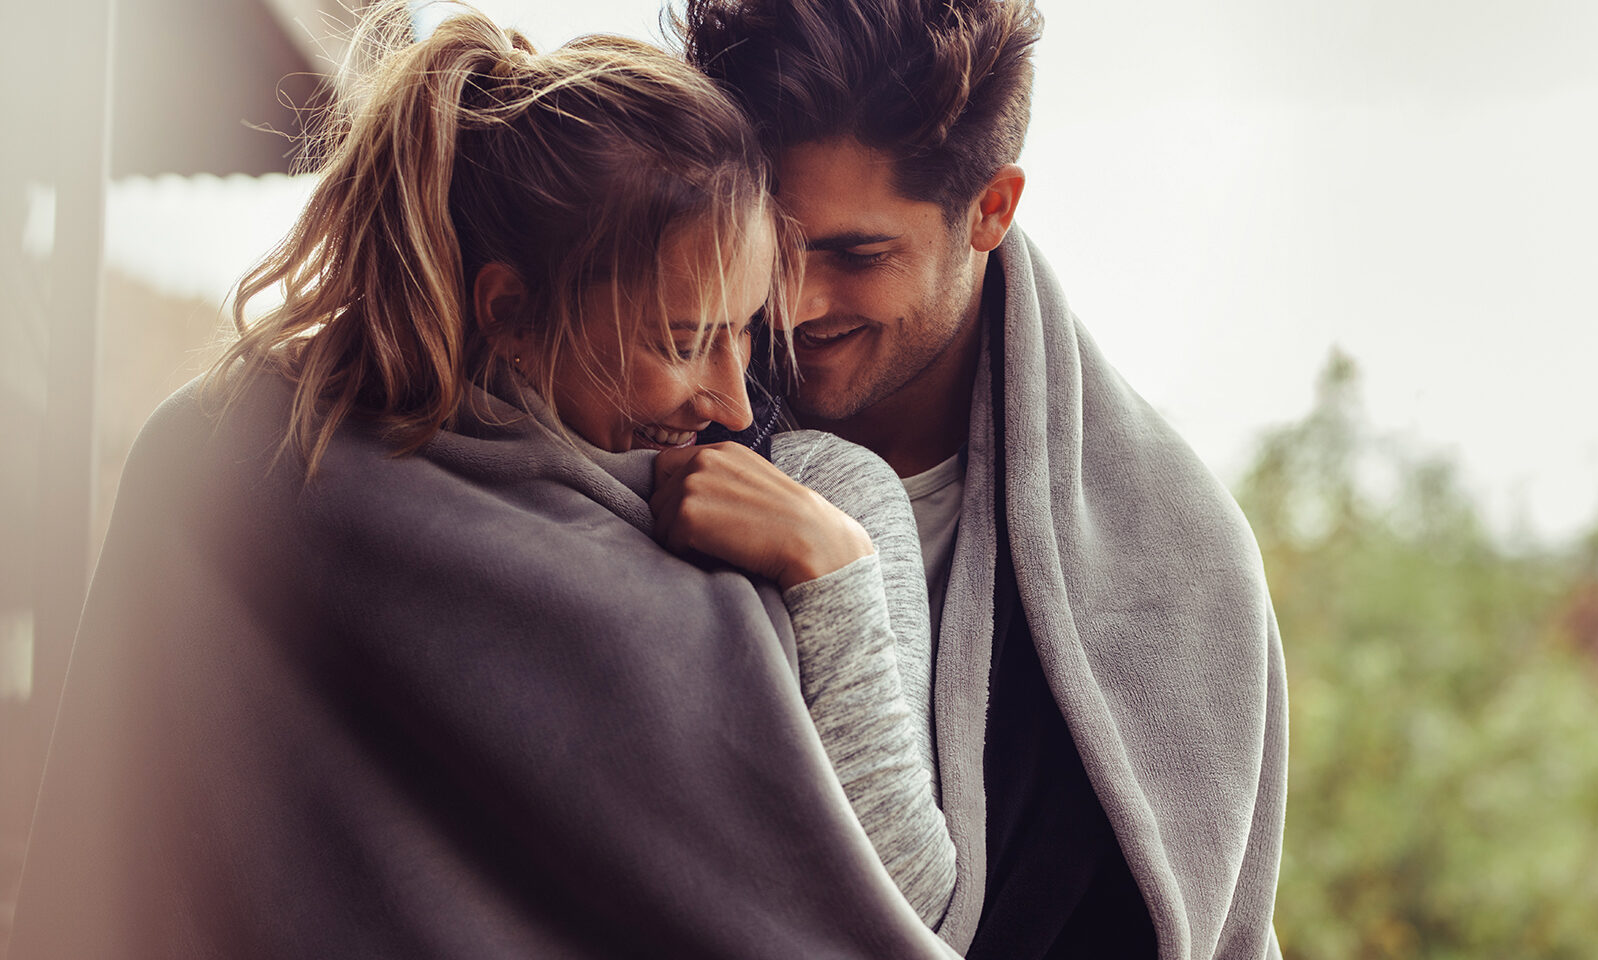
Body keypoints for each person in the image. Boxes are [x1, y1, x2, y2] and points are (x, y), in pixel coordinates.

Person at [10, 4, 965, 957]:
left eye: (746, 330)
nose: (730, 402)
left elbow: (908, 903)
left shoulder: (823, 503)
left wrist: (831, 567)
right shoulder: (242, 463)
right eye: (680, 343)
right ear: (508, 309)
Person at [680, 0, 1291, 957]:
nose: (792, 305)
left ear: (992, 211)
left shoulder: (1184, 564)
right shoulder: (630, 424)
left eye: (855, 254)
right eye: (770, 241)